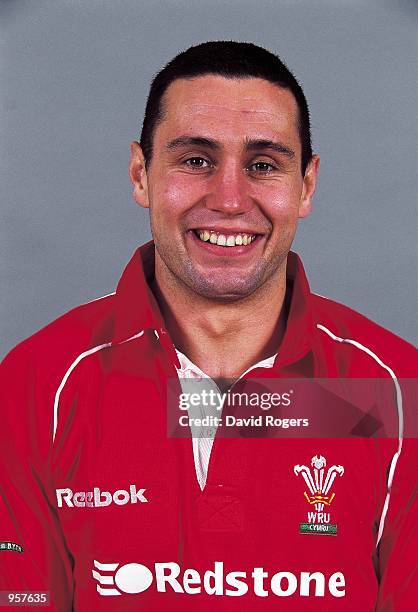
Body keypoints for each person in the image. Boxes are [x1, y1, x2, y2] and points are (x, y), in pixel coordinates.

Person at [0, 41, 416, 611]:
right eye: (196, 160)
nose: (229, 199)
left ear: (306, 187)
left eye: (263, 165)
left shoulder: (394, 391)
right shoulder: (35, 385)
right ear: (141, 175)